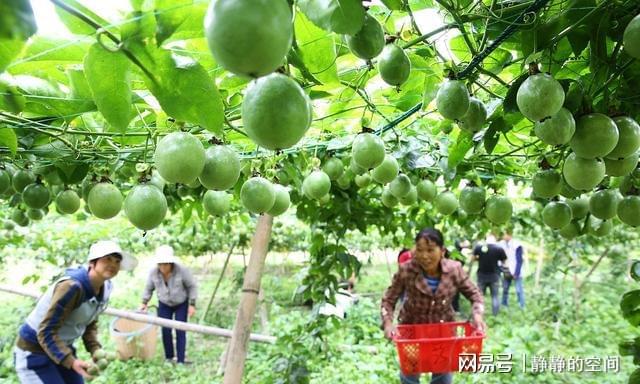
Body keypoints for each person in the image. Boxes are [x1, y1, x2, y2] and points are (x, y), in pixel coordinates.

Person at [14, 240, 137, 383]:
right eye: (107, 259)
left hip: (61, 347)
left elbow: (89, 322)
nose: (113, 264)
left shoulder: (106, 288)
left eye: (117, 261)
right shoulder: (72, 287)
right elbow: (46, 330)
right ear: (93, 262)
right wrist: (70, 361)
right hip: (35, 351)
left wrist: (94, 348)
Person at [381, 228, 485, 384]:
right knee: (409, 373)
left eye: (430, 250)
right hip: (412, 329)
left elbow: (475, 295)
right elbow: (389, 299)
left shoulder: (453, 270)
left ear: (442, 250)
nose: (424, 256)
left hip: (443, 330)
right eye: (420, 250)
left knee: (442, 374)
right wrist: (388, 323)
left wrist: (477, 315)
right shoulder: (407, 270)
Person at [140, 245, 198, 364]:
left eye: (165, 264)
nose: (163, 267)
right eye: (160, 264)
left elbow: (191, 286)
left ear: (171, 263)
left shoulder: (182, 270)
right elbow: (148, 288)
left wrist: (192, 304)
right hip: (164, 303)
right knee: (165, 329)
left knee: (180, 330)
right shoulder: (154, 273)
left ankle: (181, 360)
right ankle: (169, 357)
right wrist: (144, 302)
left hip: (181, 303)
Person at [472, 233, 507, 316]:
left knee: (480, 297)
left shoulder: (479, 248)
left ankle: (480, 314)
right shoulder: (499, 249)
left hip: (481, 275)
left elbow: (473, 258)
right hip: (494, 276)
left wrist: (480, 259)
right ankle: (495, 315)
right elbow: (504, 261)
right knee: (495, 296)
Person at [499, 229, 525, 309]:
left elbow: (519, 260)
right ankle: (504, 304)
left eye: (505, 234)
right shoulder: (501, 244)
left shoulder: (517, 244)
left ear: (510, 235)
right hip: (506, 270)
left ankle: (522, 305)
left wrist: (516, 273)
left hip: (515, 270)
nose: (504, 236)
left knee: (518, 289)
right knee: (505, 289)